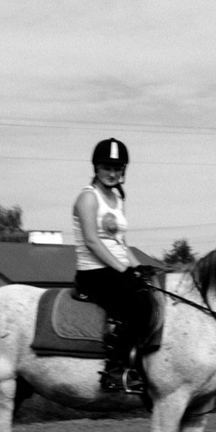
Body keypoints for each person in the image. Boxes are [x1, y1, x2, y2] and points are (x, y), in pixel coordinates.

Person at [72, 137, 153, 396]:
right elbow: (93, 242)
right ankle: (114, 371)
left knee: (155, 293)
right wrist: (124, 270)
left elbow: (122, 242)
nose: (112, 173)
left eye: (117, 168)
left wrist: (139, 267)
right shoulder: (88, 198)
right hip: (93, 272)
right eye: (107, 167)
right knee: (139, 304)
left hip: (116, 268)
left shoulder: (118, 202)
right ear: (96, 168)